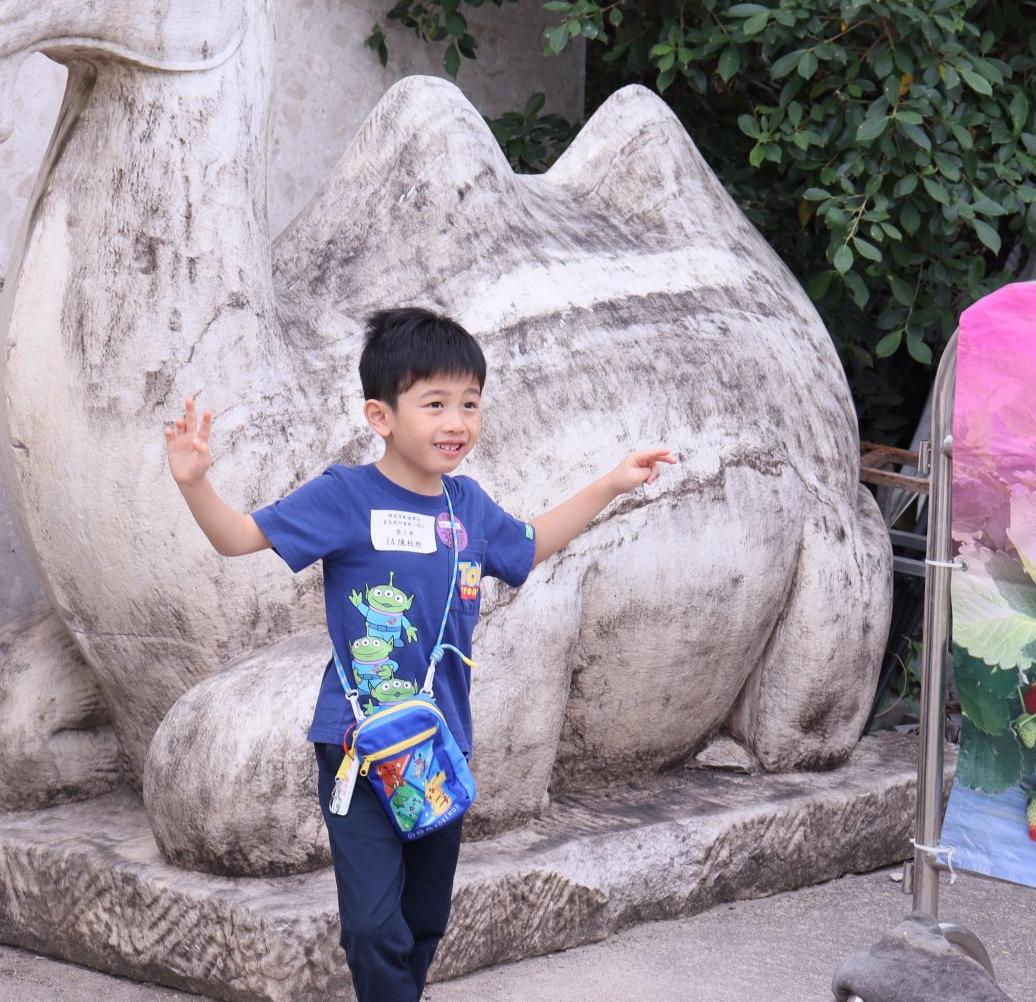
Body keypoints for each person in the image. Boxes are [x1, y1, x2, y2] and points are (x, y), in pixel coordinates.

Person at [164, 306, 674, 1002]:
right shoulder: (345, 496)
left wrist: (610, 483)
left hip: (439, 745)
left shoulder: (469, 507)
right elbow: (237, 538)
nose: (456, 422)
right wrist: (195, 483)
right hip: (357, 745)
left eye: (470, 403)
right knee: (373, 927)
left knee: (423, 919)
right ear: (381, 416)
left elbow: (527, 545)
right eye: (434, 404)